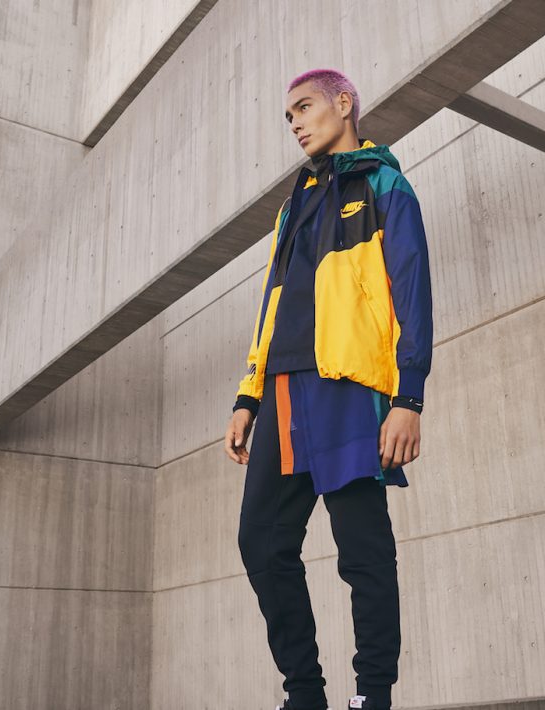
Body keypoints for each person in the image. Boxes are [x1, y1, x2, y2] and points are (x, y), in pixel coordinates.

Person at [224, 68, 433, 710]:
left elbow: (413, 294)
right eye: (288, 116)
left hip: (348, 389)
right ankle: (305, 695)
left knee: (362, 548)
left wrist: (408, 398)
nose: (295, 123)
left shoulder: (384, 185)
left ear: (343, 104)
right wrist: (248, 394)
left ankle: (373, 697)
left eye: (304, 107)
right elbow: (272, 303)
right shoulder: (292, 206)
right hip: (282, 391)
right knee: (262, 542)